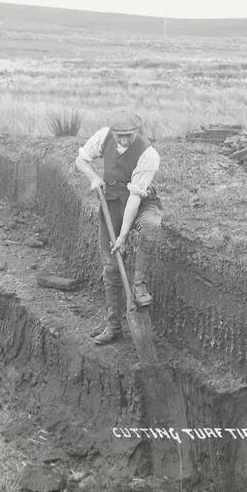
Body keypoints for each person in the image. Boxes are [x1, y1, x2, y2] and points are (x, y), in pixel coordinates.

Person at [74, 109, 163, 345]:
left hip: (140, 202)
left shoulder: (149, 154)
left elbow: (135, 199)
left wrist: (123, 236)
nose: (123, 140)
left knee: (151, 227)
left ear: (137, 131)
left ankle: (139, 285)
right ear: (112, 132)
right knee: (111, 266)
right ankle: (113, 325)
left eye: (129, 135)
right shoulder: (103, 137)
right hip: (111, 203)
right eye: (119, 135)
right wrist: (93, 177)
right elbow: (80, 160)